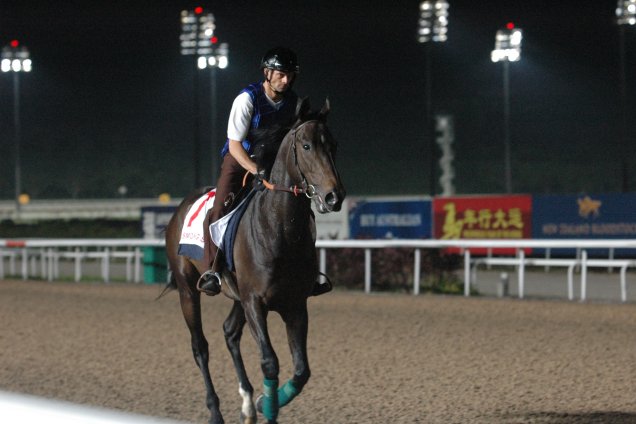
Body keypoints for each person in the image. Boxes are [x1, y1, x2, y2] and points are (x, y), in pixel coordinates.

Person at [197, 47, 301, 295]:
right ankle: (212, 270)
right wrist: (256, 170)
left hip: (274, 163)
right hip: (240, 159)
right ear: (267, 73)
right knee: (220, 208)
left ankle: (307, 271)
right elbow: (234, 144)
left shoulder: (293, 103)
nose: (285, 80)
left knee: (300, 206)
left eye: (290, 75)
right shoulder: (246, 99)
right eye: (280, 74)